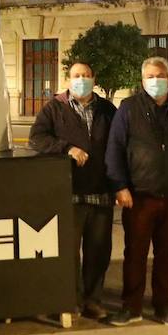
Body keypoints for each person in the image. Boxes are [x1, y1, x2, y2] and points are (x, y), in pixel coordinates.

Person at [104, 55, 168, 327]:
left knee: (167, 254)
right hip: (138, 196)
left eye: (160, 76)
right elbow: (115, 149)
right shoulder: (128, 108)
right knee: (135, 253)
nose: (155, 81)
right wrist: (120, 186)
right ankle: (130, 307)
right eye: (150, 77)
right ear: (142, 80)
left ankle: (164, 306)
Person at [28, 61, 117, 319]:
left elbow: (119, 144)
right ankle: (70, 300)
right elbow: (38, 137)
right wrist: (67, 148)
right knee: (68, 252)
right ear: (68, 79)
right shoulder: (54, 109)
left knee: (98, 251)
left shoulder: (107, 110)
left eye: (87, 75)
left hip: (101, 193)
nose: (82, 79)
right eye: (77, 75)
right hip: (70, 192)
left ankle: (93, 301)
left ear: (94, 78)